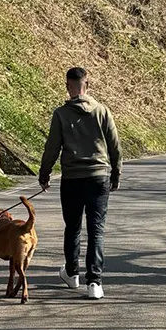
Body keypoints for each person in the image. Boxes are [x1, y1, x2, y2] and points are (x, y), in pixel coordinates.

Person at [38, 66, 122, 300]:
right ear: (88, 84)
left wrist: (44, 174)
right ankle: (94, 282)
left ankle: (72, 273)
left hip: (72, 178)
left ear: (68, 86)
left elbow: (52, 148)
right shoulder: (102, 111)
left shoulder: (61, 114)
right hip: (98, 177)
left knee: (72, 227)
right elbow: (114, 145)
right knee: (96, 229)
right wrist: (116, 173)